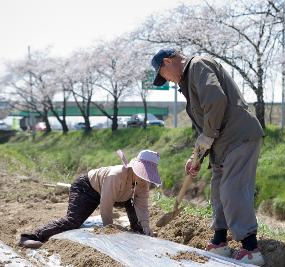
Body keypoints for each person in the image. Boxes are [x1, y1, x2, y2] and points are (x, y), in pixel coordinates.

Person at [151, 49, 265, 265]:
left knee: (232, 189)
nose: (166, 80)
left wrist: (208, 136)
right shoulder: (188, 81)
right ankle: (219, 241)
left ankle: (251, 248)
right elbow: (205, 124)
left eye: (163, 74)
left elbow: (215, 100)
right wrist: (197, 156)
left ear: (168, 61)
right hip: (222, 144)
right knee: (218, 191)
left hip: (238, 137)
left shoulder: (198, 65)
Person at [19, 150, 161, 249]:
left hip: (122, 195)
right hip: (87, 188)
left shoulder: (143, 184)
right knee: (73, 221)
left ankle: (141, 232)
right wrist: (109, 228)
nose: (144, 179)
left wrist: (146, 227)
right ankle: (32, 237)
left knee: (139, 227)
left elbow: (142, 206)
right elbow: (106, 203)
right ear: (135, 168)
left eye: (147, 176)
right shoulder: (116, 175)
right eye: (143, 174)